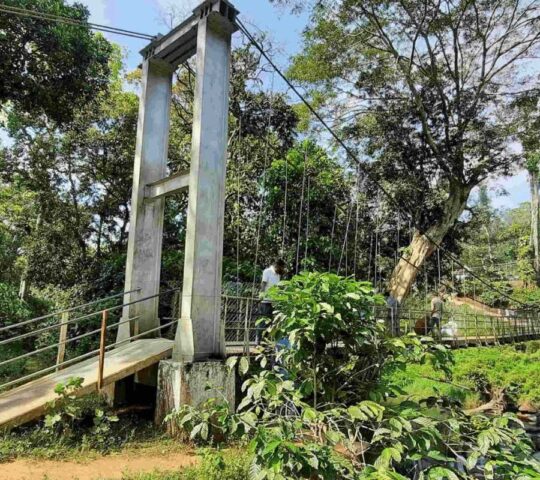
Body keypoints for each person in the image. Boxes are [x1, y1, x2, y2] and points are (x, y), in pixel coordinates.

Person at [257, 258, 285, 343]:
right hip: (265, 301)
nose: (282, 269)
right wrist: (261, 296)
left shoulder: (278, 275)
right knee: (263, 322)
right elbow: (263, 284)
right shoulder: (267, 271)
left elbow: (278, 288)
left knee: (271, 324)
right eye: (282, 267)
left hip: (274, 302)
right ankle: (258, 342)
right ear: (277, 266)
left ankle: (266, 342)